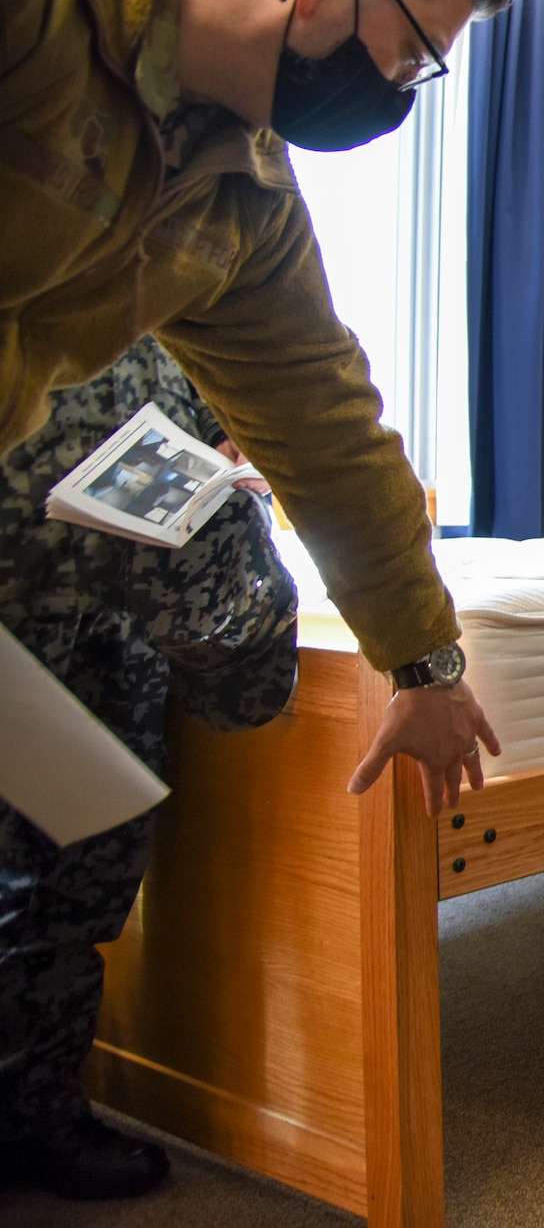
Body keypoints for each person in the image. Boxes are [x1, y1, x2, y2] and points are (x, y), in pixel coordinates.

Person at [1, 0, 507, 818]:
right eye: (407, 60)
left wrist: (424, 664)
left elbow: (323, 429)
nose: (398, 96)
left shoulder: (242, 196)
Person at [0, 340, 300, 1203]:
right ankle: (34, 1116)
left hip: (102, 626)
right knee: (54, 884)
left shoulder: (167, 309)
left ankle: (36, 1111)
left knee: (68, 884)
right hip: (51, 621)